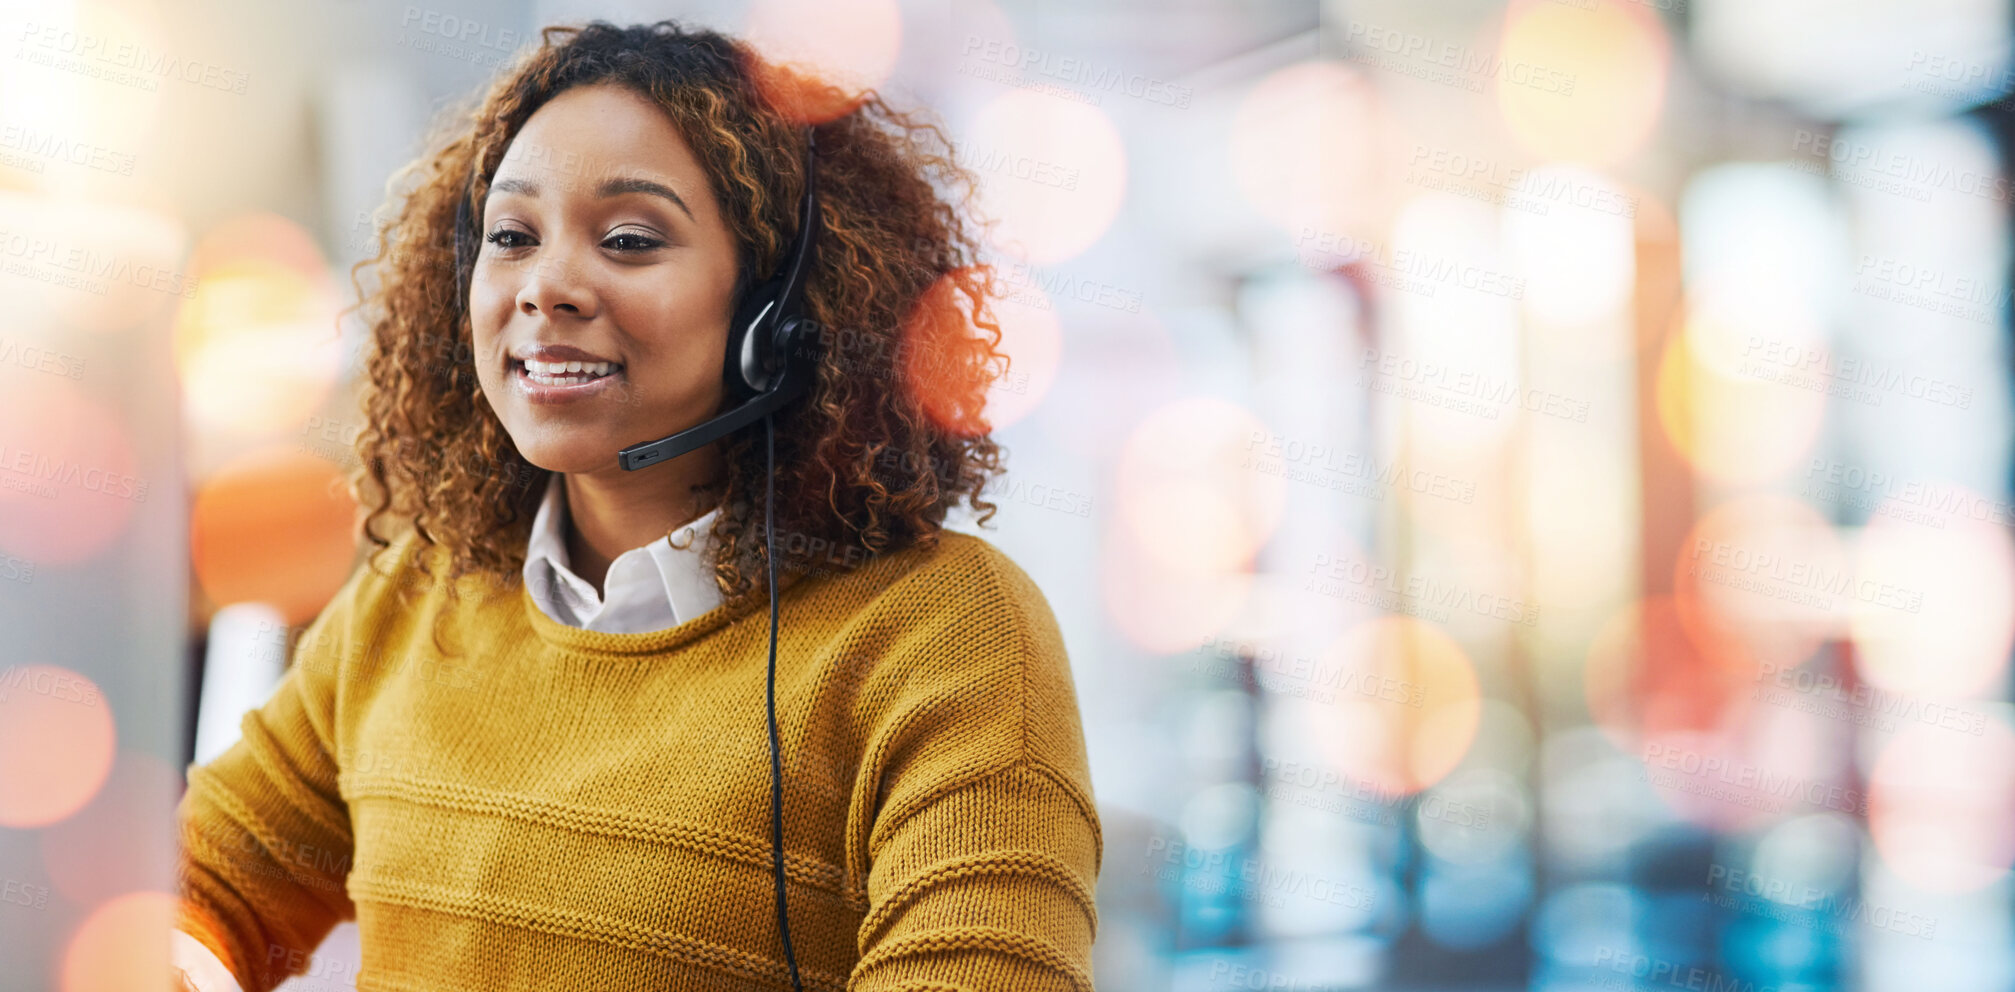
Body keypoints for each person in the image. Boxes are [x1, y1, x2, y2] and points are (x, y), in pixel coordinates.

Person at [172, 19, 1101, 992]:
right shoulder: (413, 593)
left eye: (627, 239)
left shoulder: (948, 630)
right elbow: (208, 892)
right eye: (511, 237)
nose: (546, 287)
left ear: (776, 315)